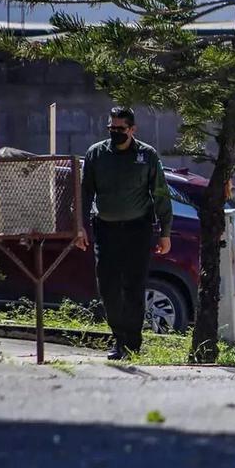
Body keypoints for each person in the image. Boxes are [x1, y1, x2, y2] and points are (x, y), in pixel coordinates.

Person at [75, 107, 173, 360]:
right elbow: (85, 193)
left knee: (133, 287)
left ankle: (131, 344)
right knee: (108, 287)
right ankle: (119, 338)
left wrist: (165, 233)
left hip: (137, 229)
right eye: (112, 128)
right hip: (105, 230)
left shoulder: (146, 155)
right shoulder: (97, 154)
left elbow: (160, 193)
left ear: (132, 130)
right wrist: (80, 225)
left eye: (121, 129)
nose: (115, 133)